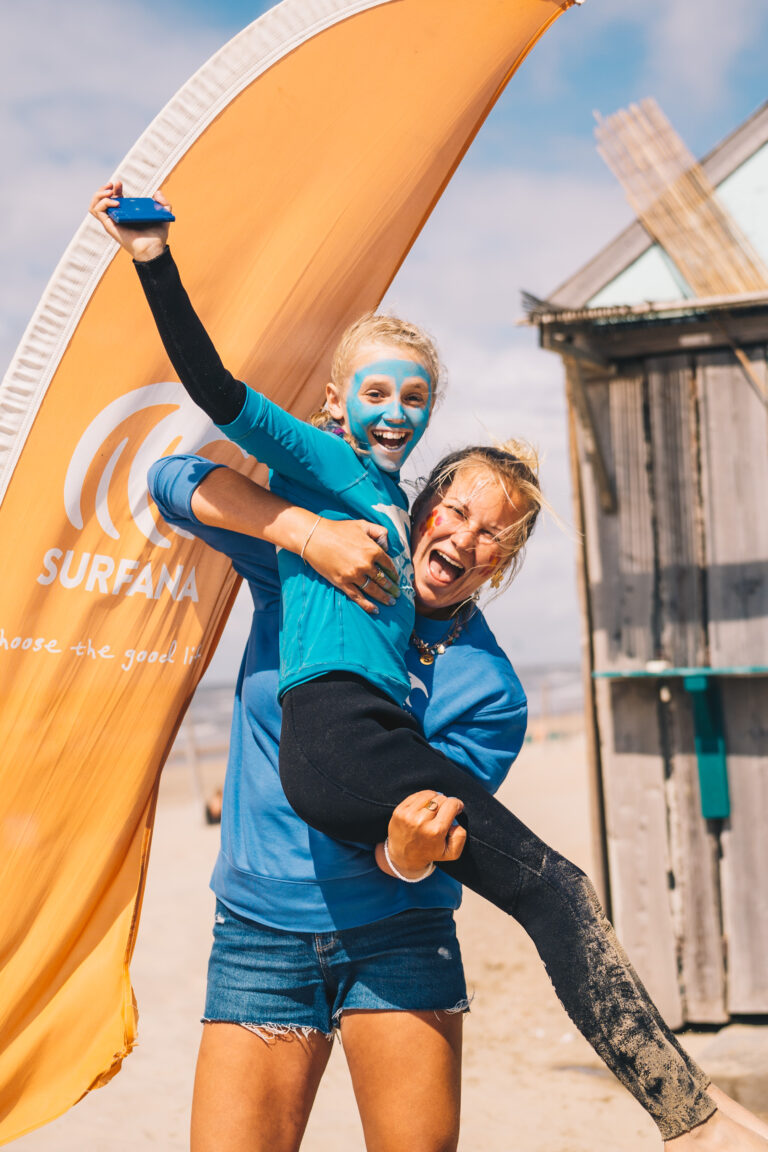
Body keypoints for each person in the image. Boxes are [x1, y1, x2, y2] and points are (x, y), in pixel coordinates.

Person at [91, 182, 768, 1150]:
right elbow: (178, 461)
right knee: (558, 891)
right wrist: (301, 532)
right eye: (453, 510)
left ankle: (687, 1114)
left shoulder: (489, 686)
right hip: (266, 916)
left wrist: (412, 849)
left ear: (506, 560)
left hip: (395, 921)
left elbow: (409, 844)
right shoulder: (333, 519)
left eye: (494, 533)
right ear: (420, 503)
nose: (464, 534)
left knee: (555, 890)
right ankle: (688, 1120)